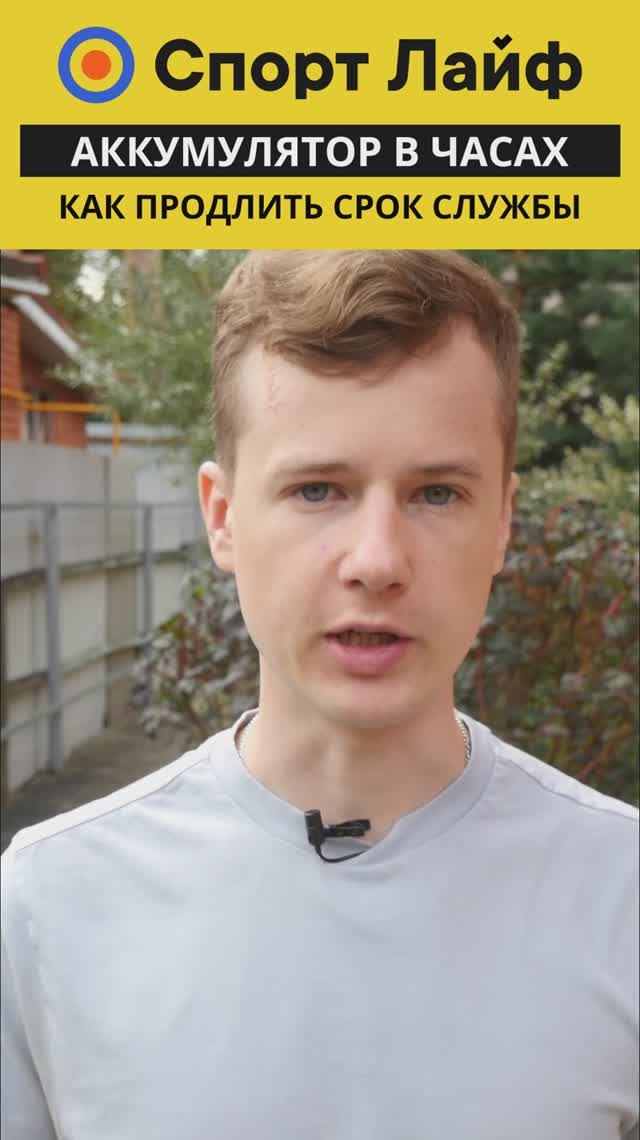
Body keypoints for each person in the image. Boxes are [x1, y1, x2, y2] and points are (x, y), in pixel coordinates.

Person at [1, 250, 637, 1140]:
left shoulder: (620, 894)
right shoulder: (50, 901)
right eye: (317, 489)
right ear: (223, 517)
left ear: (502, 521)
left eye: (437, 493)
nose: (376, 560)